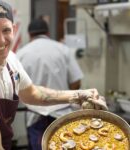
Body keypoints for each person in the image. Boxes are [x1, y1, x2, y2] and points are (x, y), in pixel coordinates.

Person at [0, 0, 107, 150]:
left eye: (6, 30)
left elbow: (33, 94)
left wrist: (79, 95)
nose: (1, 40)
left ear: (14, 30)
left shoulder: (11, 60)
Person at [17, 18, 84, 150]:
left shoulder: (21, 54)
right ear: (48, 32)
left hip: (35, 116)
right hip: (62, 114)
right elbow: (76, 81)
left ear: (29, 35)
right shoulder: (63, 49)